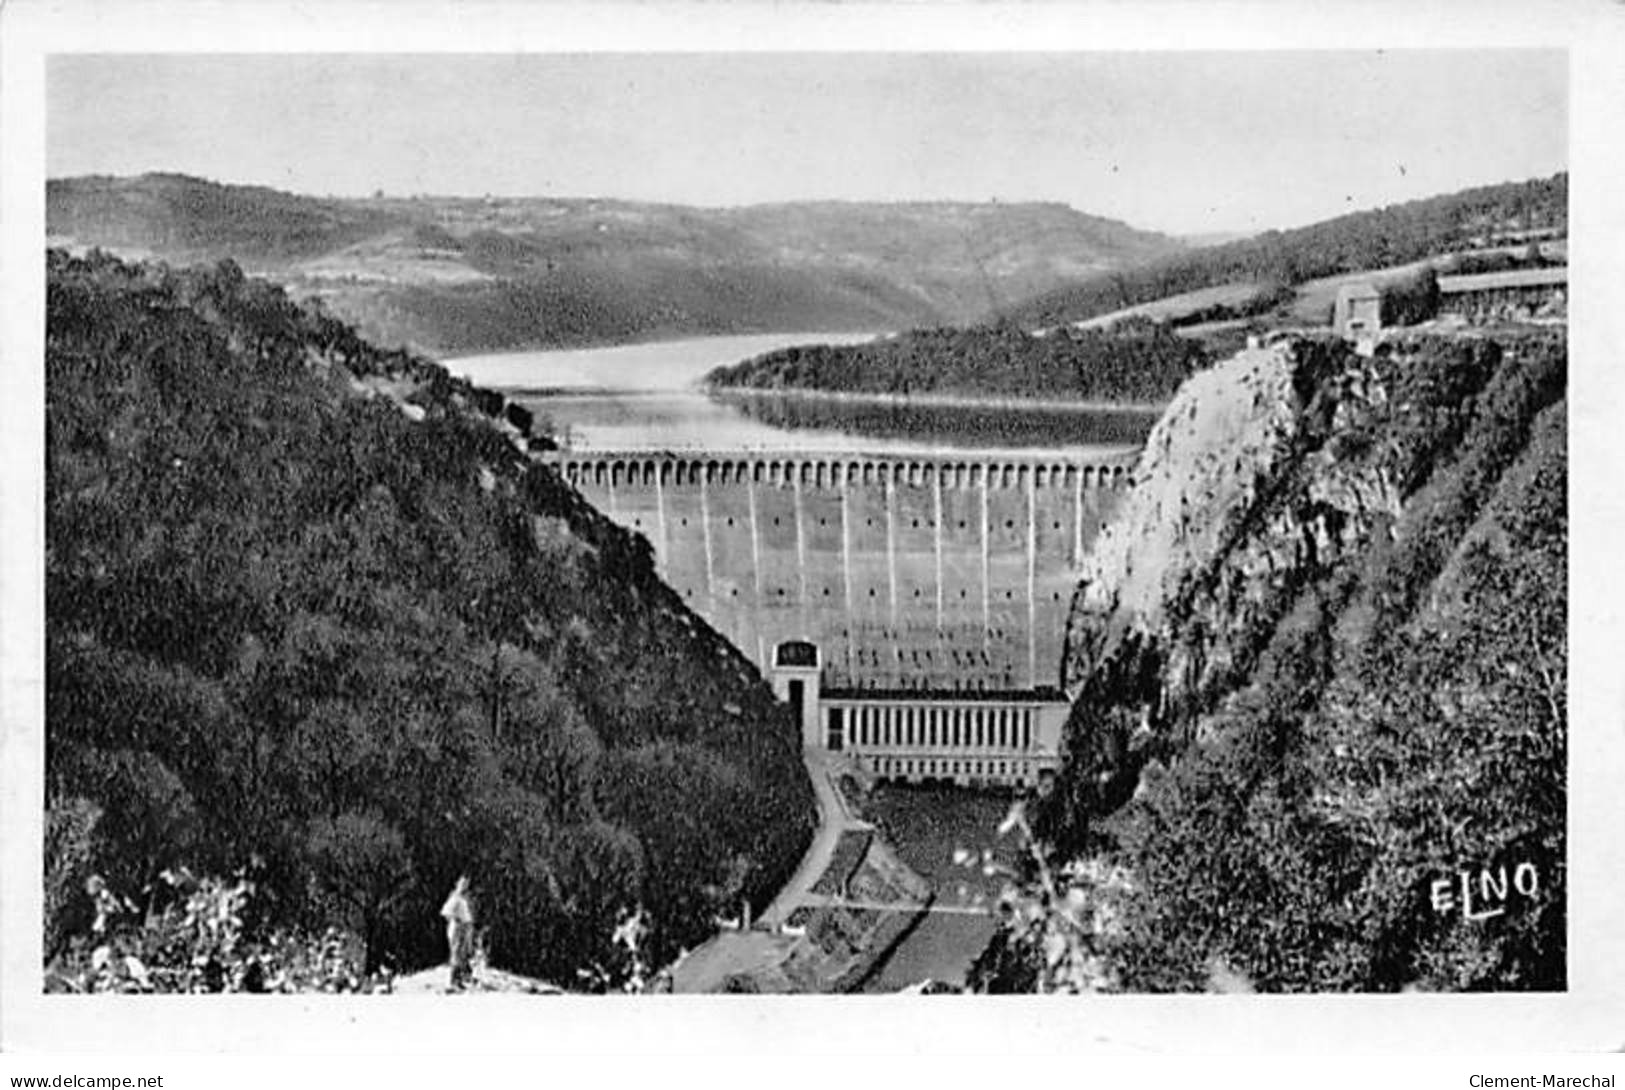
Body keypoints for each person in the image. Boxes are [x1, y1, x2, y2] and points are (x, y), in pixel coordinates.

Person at [440, 875, 475, 990]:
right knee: (456, 954)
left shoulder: (464, 899)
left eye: (466, 884)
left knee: (462, 955)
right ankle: (452, 981)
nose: (464, 886)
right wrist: (456, 919)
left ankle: (459, 980)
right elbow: (446, 912)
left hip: (464, 928)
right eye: (462, 883)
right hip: (457, 929)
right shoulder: (455, 898)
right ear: (457, 884)